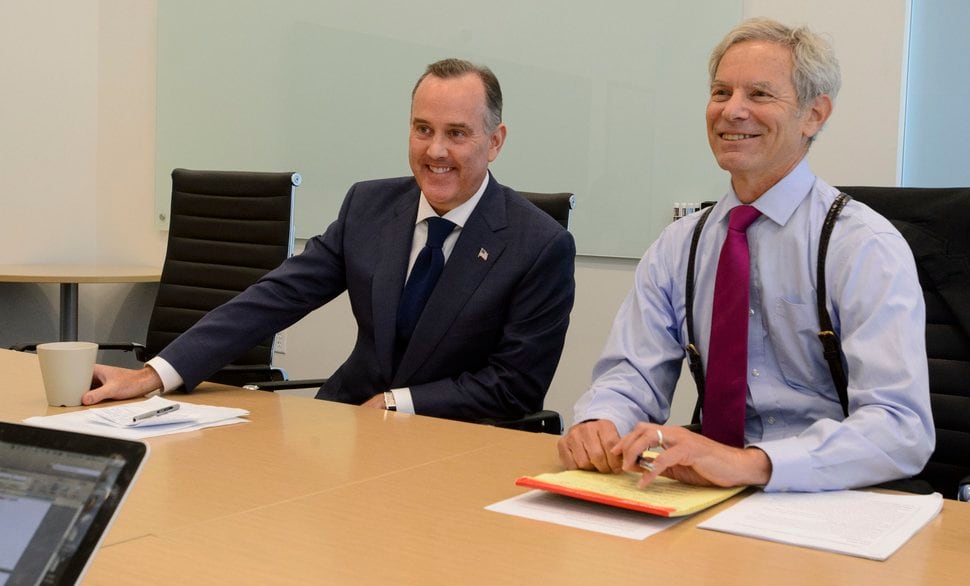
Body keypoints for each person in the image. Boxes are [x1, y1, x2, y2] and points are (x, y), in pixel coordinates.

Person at [83, 58, 576, 423]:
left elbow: (514, 388)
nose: (436, 150)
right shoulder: (370, 208)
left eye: (457, 133)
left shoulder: (539, 245)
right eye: (422, 129)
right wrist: (155, 374)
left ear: (495, 142)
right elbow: (273, 298)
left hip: (453, 444)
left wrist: (394, 403)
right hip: (346, 427)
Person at [558, 18, 933, 492]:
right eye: (720, 93)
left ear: (814, 115)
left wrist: (756, 465)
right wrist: (600, 420)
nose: (732, 111)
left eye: (759, 95)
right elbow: (632, 373)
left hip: (832, 497)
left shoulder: (862, 247)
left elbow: (902, 429)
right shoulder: (681, 245)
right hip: (707, 492)